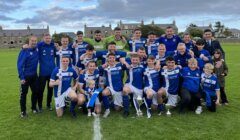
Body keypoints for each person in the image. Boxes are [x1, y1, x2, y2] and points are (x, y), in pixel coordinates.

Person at [17, 36, 39, 117]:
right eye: (32, 41)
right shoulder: (24, 51)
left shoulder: (37, 49)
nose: (34, 42)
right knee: (24, 94)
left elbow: (46, 42)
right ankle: (23, 112)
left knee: (35, 92)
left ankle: (33, 108)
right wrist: (22, 77)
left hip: (34, 76)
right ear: (29, 41)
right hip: (25, 77)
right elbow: (19, 65)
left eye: (35, 41)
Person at [99, 53, 125, 118]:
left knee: (117, 109)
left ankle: (111, 102)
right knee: (104, 93)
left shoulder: (119, 65)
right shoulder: (105, 67)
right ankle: (107, 110)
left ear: (115, 58)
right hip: (110, 87)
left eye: (113, 58)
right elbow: (96, 70)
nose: (111, 59)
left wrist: (123, 61)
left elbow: (128, 67)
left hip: (118, 88)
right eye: (110, 58)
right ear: (107, 59)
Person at [37, 33, 56, 111]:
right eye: (46, 38)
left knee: (50, 90)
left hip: (52, 73)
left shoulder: (53, 46)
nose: (48, 40)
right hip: (43, 73)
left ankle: (48, 104)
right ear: (43, 39)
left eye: (49, 38)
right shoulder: (40, 45)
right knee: (41, 90)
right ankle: (40, 106)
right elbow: (32, 44)